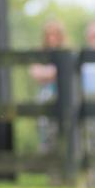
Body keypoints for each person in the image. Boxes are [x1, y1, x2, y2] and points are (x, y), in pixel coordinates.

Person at [28, 20, 67, 152]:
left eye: (55, 34)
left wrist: (50, 73)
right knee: (44, 124)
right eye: (48, 35)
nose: (51, 38)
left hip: (64, 96)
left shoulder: (65, 51)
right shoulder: (40, 53)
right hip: (45, 95)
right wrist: (56, 72)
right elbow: (35, 73)